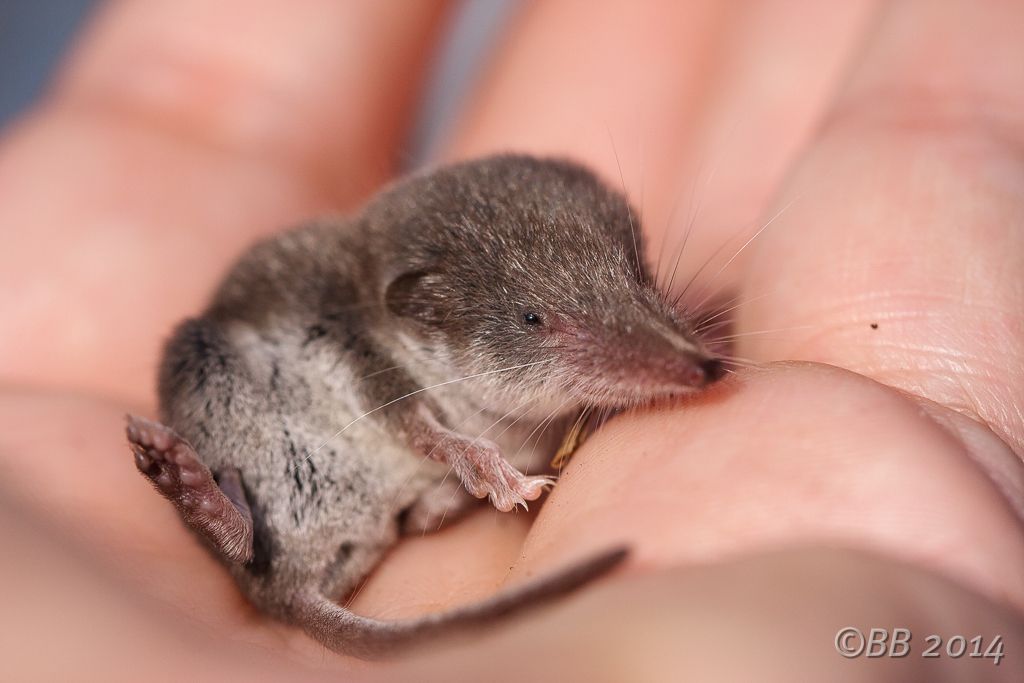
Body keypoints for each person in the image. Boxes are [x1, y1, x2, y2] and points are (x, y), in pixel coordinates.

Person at [1, 1, 1021, 680]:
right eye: (539, 323)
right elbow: (389, 389)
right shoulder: (368, 326)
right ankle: (246, 540)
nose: (676, 355)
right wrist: (454, 444)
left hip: (392, 498)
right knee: (198, 358)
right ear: (426, 314)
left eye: (631, 282)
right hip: (290, 490)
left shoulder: (495, 375)